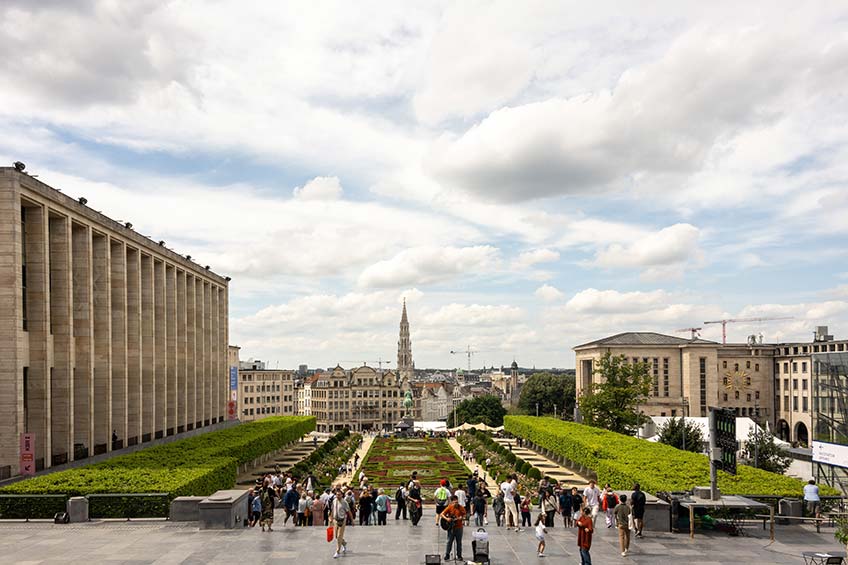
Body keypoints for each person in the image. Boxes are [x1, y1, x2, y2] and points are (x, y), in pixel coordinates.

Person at [438, 495, 466, 562]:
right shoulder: (450, 507)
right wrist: (447, 519)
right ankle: (447, 554)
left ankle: (459, 555)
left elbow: (464, 515)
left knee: (459, 542)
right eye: (454, 502)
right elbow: (441, 514)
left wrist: (462, 518)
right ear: (452, 502)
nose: (456, 504)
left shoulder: (461, 508)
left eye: (457, 502)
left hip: (459, 527)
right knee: (449, 541)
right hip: (451, 527)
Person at [331, 490, 353, 559]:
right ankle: (344, 543)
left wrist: (352, 520)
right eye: (337, 495)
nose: (338, 496)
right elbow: (333, 510)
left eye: (339, 495)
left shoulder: (344, 502)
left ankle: (337, 551)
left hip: (342, 520)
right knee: (336, 536)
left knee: (339, 535)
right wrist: (331, 518)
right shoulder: (334, 501)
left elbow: (349, 512)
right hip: (335, 520)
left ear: (342, 495)